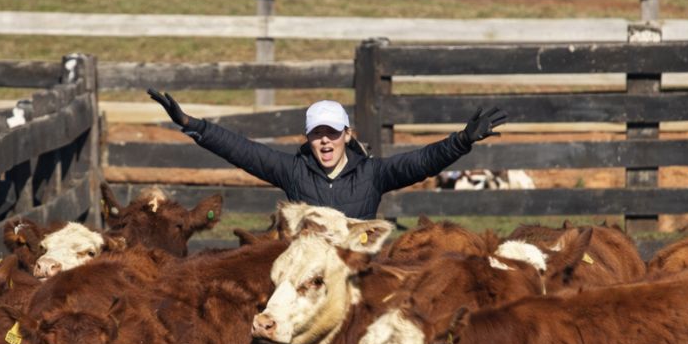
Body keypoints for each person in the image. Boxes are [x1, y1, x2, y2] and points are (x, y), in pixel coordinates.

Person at [146, 89, 507, 219]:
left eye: (332, 133)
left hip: (356, 273)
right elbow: (242, 150)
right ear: (308, 138)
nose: (325, 142)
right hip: (307, 280)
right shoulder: (292, 171)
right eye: (317, 135)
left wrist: (462, 140)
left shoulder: (372, 174)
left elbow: (422, 162)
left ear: (347, 135)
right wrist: (191, 124)